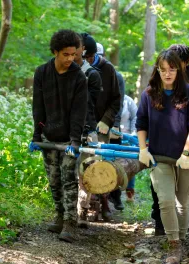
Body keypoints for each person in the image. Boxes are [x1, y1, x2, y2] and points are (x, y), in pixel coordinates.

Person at [136, 49, 189, 263]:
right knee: (165, 201)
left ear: (178, 69)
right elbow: (141, 123)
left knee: (182, 202)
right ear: (158, 70)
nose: (167, 73)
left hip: (185, 157)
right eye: (163, 69)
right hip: (159, 157)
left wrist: (186, 153)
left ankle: (181, 242)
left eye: (171, 69)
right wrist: (142, 149)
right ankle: (173, 245)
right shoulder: (149, 94)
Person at [29, 29, 88, 243]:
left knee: (68, 178)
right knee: (53, 179)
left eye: (74, 55)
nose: (70, 59)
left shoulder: (78, 77)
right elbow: (38, 106)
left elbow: (79, 112)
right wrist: (37, 134)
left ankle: (71, 223)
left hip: (69, 138)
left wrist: (75, 139)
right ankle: (60, 216)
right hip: (49, 135)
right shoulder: (42, 73)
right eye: (66, 54)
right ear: (55, 51)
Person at [150, 44, 189, 236]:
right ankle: (160, 224)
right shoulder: (158, 83)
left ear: (186, 63)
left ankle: (180, 236)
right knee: (161, 192)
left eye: (177, 64)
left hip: (185, 143)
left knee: (182, 199)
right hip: (161, 146)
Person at [77, 33, 121, 224]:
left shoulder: (108, 70)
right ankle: (78, 209)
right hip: (77, 125)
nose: (84, 60)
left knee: (97, 168)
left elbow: (116, 100)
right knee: (77, 168)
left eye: (87, 57)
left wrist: (106, 120)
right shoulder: (71, 68)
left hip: (100, 127)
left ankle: (102, 203)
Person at [96, 42, 125, 211]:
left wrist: (113, 126)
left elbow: (118, 103)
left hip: (111, 123)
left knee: (112, 160)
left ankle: (114, 195)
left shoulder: (116, 75)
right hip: (92, 124)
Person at [120, 94, 138, 202]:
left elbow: (135, 118)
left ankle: (129, 193)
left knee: (130, 165)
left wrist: (133, 135)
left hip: (127, 139)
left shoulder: (128, 101)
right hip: (112, 138)